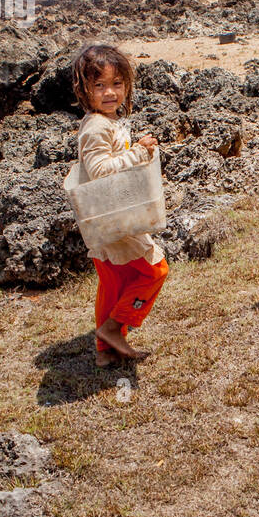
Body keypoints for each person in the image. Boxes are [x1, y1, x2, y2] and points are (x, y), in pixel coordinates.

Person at [71, 44, 169, 367]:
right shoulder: (97, 126)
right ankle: (114, 327)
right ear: (84, 90)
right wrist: (138, 153)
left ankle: (105, 351)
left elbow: (108, 158)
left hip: (104, 219)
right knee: (155, 270)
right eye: (99, 85)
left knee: (113, 283)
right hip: (113, 218)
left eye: (116, 84)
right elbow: (100, 171)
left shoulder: (105, 121)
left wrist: (132, 146)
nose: (110, 92)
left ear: (127, 85)